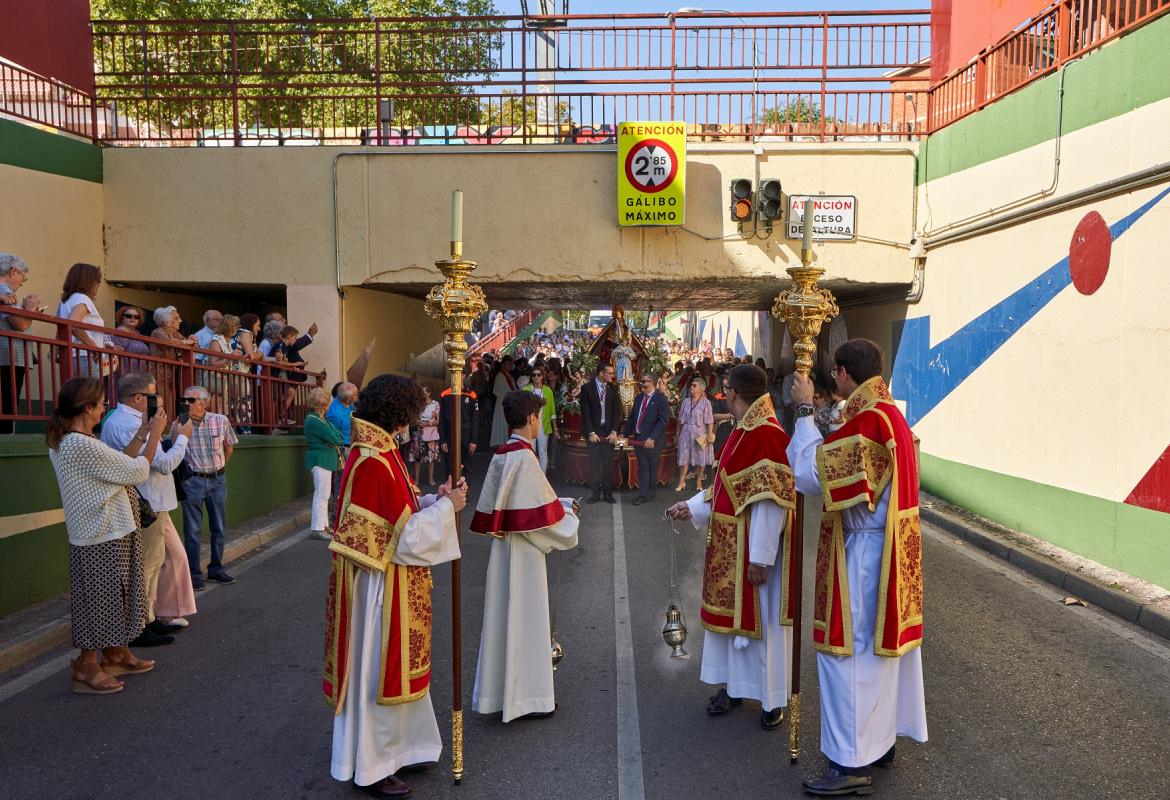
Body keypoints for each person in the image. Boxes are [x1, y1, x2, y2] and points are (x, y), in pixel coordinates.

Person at [787, 340, 928, 796]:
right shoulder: (890, 415)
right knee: (876, 659)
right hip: (885, 549)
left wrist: (804, 411)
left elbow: (812, 476)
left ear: (844, 374)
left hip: (866, 554)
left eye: (835, 374)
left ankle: (849, 766)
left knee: (844, 658)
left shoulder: (869, 422)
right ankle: (878, 744)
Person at [324, 374, 467, 798]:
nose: (412, 421)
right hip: (378, 591)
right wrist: (446, 507)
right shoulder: (372, 459)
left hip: (386, 583)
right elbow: (400, 543)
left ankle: (403, 749)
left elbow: (398, 510)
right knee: (376, 672)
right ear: (397, 413)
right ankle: (373, 764)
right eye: (410, 412)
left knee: (394, 672)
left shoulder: (378, 452)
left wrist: (430, 500)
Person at [666, 364, 795, 731]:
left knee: (764, 627)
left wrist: (760, 558)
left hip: (754, 555)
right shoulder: (743, 431)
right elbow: (725, 489)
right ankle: (735, 687)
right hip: (731, 550)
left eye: (725, 390)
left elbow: (772, 502)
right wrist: (689, 507)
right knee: (731, 632)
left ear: (733, 392)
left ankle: (771, 699)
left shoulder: (767, 435)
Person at [46, 376, 167, 694]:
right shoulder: (79, 444)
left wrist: (142, 431)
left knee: (117, 595)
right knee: (99, 601)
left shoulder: (79, 441)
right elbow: (138, 470)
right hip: (99, 534)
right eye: (100, 404)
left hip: (111, 529)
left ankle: (114, 651)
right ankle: (87, 666)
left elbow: (120, 464)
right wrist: (155, 434)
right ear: (86, 408)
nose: (104, 410)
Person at [470, 390, 580, 722]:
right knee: (526, 621)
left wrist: (560, 504)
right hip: (524, 555)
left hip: (504, 549)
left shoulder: (503, 454)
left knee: (504, 619)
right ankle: (529, 699)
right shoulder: (524, 458)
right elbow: (535, 522)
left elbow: (522, 507)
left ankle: (500, 695)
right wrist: (570, 521)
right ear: (533, 418)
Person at [100, 371, 194, 647]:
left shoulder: (131, 421)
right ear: (140, 397)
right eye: (153, 396)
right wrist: (182, 438)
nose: (158, 402)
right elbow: (160, 464)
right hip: (146, 503)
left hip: (153, 503)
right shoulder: (127, 423)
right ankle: (139, 625)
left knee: (161, 560)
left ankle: (149, 618)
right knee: (148, 565)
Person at [177, 385, 239, 590]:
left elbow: (229, 446)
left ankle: (216, 568)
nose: (187, 404)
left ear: (204, 402)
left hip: (217, 480)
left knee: (218, 527)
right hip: (192, 481)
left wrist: (220, 470)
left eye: (191, 400)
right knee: (192, 530)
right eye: (184, 399)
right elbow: (173, 448)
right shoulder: (179, 422)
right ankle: (194, 573)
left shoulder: (220, 421)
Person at [0, 253, 41, 433]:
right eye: (22, 278)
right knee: (8, 405)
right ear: (13, 272)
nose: (22, 283)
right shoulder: (5, 290)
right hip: (9, 357)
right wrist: (30, 310)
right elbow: (21, 324)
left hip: (8, 356)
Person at [57, 263, 111, 380]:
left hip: (71, 356)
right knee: (92, 396)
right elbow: (74, 325)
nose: (97, 286)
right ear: (87, 282)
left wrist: (57, 351)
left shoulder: (66, 301)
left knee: (77, 395)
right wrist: (94, 347)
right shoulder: (82, 298)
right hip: (85, 356)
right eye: (96, 282)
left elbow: (62, 327)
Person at [305, 387, 346, 541]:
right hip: (320, 460)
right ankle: (317, 528)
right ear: (323, 404)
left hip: (325, 460)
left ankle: (323, 525)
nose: (330, 404)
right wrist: (335, 437)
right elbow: (335, 438)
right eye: (328, 402)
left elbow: (338, 435)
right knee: (321, 495)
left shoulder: (321, 419)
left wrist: (336, 436)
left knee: (324, 495)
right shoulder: (314, 420)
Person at [623, 373, 669, 505]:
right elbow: (632, 419)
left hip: (653, 442)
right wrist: (624, 434)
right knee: (643, 467)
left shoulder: (660, 399)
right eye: (641, 380)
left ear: (652, 382)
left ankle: (650, 492)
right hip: (639, 440)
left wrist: (652, 438)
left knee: (652, 467)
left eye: (644, 381)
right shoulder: (638, 398)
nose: (641, 383)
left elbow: (663, 421)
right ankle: (642, 495)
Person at [579, 362, 619, 504]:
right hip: (593, 432)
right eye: (610, 373)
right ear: (601, 373)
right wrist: (590, 432)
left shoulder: (613, 388)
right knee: (594, 463)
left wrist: (614, 431)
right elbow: (585, 412)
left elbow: (616, 411)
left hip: (608, 433)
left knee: (608, 464)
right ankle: (595, 493)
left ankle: (608, 493)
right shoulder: (587, 389)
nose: (612, 376)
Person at [675, 378, 714, 493]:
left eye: (694, 385)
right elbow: (680, 419)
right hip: (686, 432)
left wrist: (709, 435)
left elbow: (709, 420)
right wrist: (677, 434)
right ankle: (682, 481)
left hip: (700, 433)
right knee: (683, 457)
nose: (691, 387)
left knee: (700, 458)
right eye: (691, 385)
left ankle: (698, 481)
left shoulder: (706, 402)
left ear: (701, 389)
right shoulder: (685, 401)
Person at [326, 381, 358, 523]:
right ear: (347, 399)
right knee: (341, 483)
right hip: (343, 449)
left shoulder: (348, 404)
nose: (357, 397)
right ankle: (336, 516)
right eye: (355, 395)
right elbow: (332, 436)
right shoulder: (334, 414)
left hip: (351, 446)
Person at [439, 382, 477, 484]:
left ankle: (464, 494)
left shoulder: (471, 394)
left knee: (466, 465)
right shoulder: (445, 394)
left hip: (466, 433)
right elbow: (441, 419)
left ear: (463, 375)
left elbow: (475, 419)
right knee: (450, 465)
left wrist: (473, 440)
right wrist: (442, 440)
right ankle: (450, 493)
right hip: (449, 433)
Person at [524, 365, 557, 473]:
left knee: (543, 452)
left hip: (544, 424)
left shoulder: (548, 391)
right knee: (531, 452)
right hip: (530, 425)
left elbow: (552, 412)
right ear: (531, 377)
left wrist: (555, 429)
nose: (536, 377)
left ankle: (542, 478)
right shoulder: (526, 390)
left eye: (539, 375)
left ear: (543, 376)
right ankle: (533, 476)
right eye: (534, 375)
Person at [409, 384, 441, 487]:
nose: (421, 394)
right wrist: (418, 422)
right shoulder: (417, 404)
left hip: (432, 435)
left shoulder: (435, 404)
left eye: (424, 392)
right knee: (417, 458)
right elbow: (412, 418)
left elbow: (438, 420)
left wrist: (429, 424)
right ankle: (417, 479)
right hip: (418, 434)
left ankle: (430, 478)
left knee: (431, 458)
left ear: (429, 393)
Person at [110, 306, 150, 373]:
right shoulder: (121, 331)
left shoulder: (137, 333)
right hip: (126, 373)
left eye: (136, 317)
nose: (132, 318)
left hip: (140, 373)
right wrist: (122, 374)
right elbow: (116, 355)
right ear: (122, 317)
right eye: (128, 316)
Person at [489, 355, 516, 447]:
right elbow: (505, 391)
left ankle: (506, 441)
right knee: (503, 425)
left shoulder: (508, 375)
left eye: (511, 364)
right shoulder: (500, 376)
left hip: (508, 402)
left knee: (506, 425)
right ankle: (504, 443)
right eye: (508, 364)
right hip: (503, 403)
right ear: (503, 365)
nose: (510, 366)